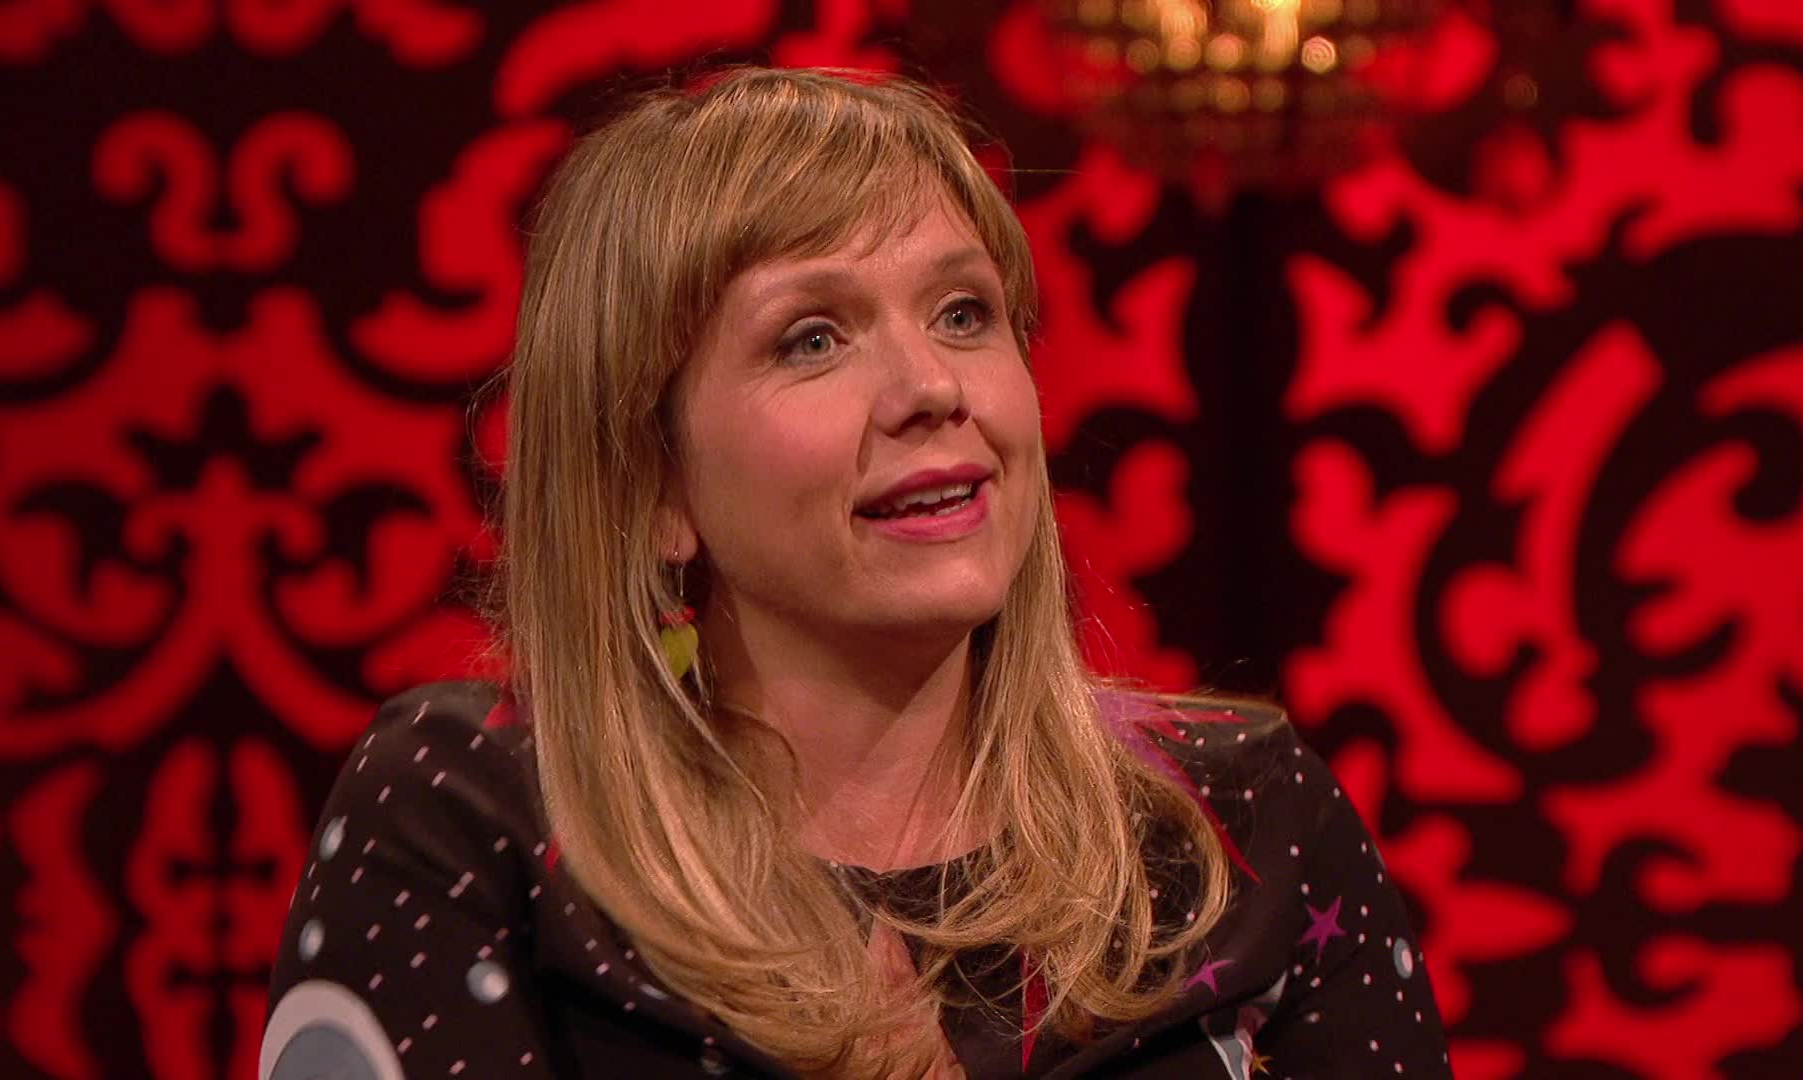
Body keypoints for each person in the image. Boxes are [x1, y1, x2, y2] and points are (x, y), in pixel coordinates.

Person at [261, 67, 1450, 1079]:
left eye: (963, 313)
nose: (931, 387)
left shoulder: (1237, 821)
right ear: (652, 483)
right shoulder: (484, 819)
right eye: (812, 338)